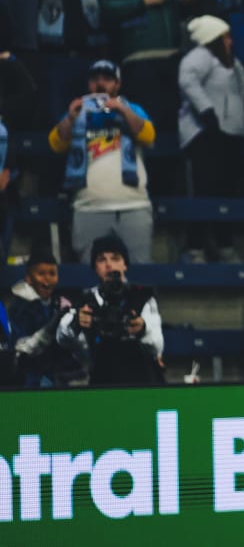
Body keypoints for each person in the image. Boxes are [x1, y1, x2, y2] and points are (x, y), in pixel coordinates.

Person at [48, 60, 157, 264]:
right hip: (88, 207)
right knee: (90, 273)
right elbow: (56, 144)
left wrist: (123, 110)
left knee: (139, 272)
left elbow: (149, 136)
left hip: (133, 205)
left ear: (118, 84)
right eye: (95, 79)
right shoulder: (77, 111)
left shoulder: (132, 109)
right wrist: (70, 119)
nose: (100, 84)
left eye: (107, 79)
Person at [177, 16, 244, 263]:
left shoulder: (228, 62)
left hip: (231, 134)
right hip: (206, 134)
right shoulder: (201, 56)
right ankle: (195, 247)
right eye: (226, 37)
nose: (231, 41)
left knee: (227, 191)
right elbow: (187, 80)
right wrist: (207, 110)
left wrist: (234, 65)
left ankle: (225, 243)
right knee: (205, 189)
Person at [55, 234, 164, 386]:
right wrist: (76, 323)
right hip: (101, 380)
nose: (109, 265)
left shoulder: (142, 296)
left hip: (140, 381)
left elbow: (157, 346)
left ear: (125, 264)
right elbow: (62, 338)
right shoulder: (86, 301)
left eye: (115, 258)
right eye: (101, 260)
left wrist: (142, 329)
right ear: (95, 267)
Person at [6, 253, 84, 387]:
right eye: (41, 273)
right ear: (28, 278)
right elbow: (21, 349)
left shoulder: (61, 303)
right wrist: (49, 329)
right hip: (30, 380)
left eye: (52, 273)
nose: (47, 279)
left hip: (59, 378)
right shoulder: (18, 308)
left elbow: (76, 346)